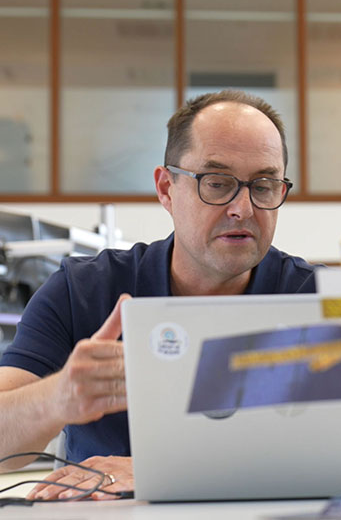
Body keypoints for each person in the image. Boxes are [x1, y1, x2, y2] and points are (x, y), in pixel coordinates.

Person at [0, 90, 316, 500]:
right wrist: (56, 397)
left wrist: (160, 471)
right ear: (167, 189)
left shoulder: (316, 300)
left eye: (264, 185)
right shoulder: (84, 292)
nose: (244, 208)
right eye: (217, 184)